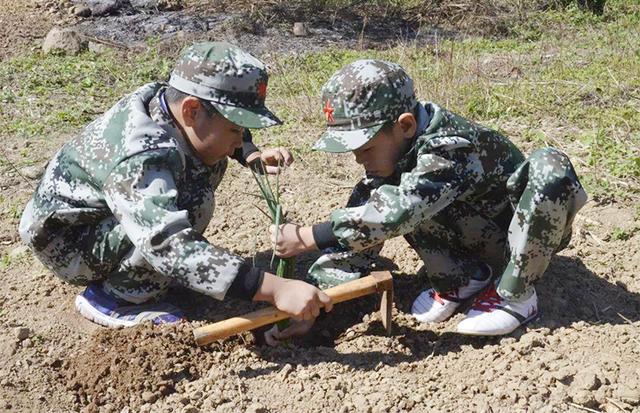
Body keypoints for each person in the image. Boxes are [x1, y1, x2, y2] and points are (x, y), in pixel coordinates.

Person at [19, 41, 332, 328]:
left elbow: (216, 126)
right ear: (192, 110)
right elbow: (167, 242)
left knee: (196, 177)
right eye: (235, 129)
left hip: (100, 219)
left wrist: (249, 153)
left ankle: (140, 276)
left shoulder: (171, 105)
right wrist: (274, 288)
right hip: (67, 240)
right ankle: (115, 299)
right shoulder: (143, 156)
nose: (239, 137)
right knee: (193, 203)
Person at [269, 59, 587, 338]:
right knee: (390, 195)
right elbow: (365, 222)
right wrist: (314, 304)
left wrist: (309, 236)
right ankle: (462, 279)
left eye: (365, 148)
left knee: (550, 165)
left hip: (516, 240)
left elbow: (401, 210)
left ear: (405, 125)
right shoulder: (398, 155)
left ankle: (516, 296)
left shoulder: (449, 145)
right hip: (476, 238)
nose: (358, 159)